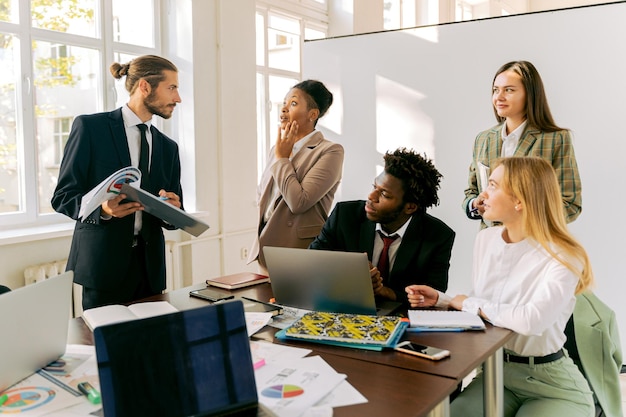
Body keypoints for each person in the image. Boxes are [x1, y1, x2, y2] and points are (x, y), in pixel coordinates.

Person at [408, 157, 595, 416]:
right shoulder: (486, 240)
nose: (482, 195)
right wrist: (444, 300)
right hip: (494, 373)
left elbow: (531, 321)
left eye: (493, 186)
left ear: (519, 200)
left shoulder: (563, 255)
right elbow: (489, 305)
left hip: (550, 383)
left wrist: (466, 302)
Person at [52, 55, 183, 310]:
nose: (177, 98)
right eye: (172, 88)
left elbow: (173, 214)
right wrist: (103, 209)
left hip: (150, 271)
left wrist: (173, 210)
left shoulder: (169, 148)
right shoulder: (91, 128)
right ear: (145, 86)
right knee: (106, 346)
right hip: (103, 268)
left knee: (149, 345)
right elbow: (63, 197)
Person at [310, 148, 455, 306]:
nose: (371, 197)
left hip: (402, 318)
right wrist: (351, 273)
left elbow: (434, 295)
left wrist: (385, 291)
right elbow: (312, 263)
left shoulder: (438, 236)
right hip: (345, 307)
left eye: (385, 194)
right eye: (374, 187)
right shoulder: (345, 215)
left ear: (410, 207)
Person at [463, 60, 582, 227]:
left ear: (530, 94)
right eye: (496, 90)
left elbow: (570, 204)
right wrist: (475, 204)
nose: (499, 97)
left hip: (534, 242)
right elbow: (471, 192)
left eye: (509, 90)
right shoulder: (483, 139)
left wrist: (522, 220)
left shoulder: (555, 138)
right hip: (491, 244)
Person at [248, 79, 344, 272]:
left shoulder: (330, 151)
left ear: (312, 114)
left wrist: (283, 158)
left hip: (300, 251)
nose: (284, 109)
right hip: (265, 246)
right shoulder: (277, 148)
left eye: (293, 103)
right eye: (284, 103)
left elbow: (299, 202)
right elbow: (263, 196)